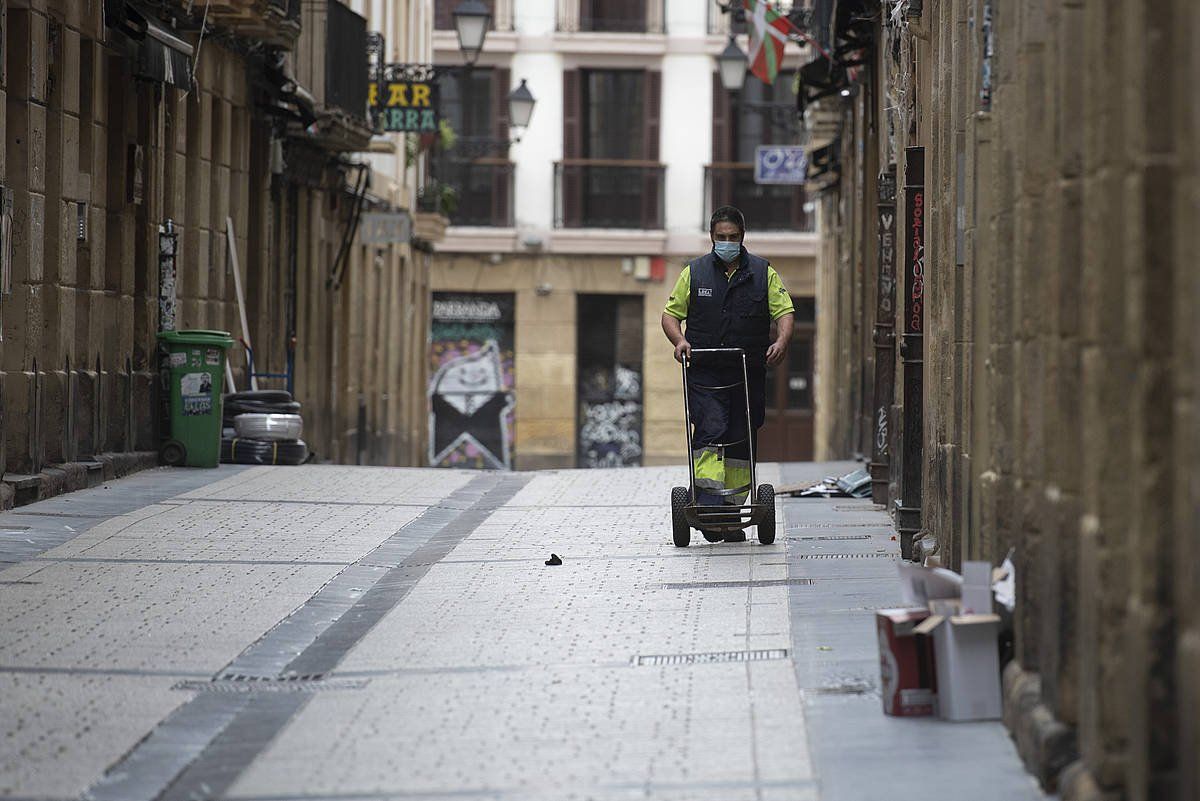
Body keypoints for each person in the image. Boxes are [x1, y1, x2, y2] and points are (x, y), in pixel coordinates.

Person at [661, 205, 794, 542]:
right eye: (721, 237)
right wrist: (679, 342)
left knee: (741, 436)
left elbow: (785, 310)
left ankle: (731, 512)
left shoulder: (763, 273)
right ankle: (709, 506)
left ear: (742, 237)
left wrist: (781, 340)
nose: (727, 242)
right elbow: (670, 315)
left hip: (747, 371)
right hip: (705, 370)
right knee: (712, 429)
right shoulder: (694, 273)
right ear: (711, 238)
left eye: (732, 237)